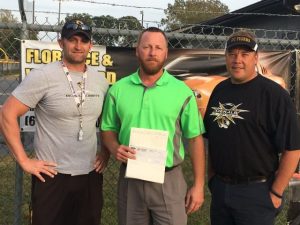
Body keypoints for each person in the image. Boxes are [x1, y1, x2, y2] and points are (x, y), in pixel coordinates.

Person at [0, 19, 109, 225]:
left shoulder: (100, 81)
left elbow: (107, 123)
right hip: (52, 176)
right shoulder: (43, 75)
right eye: (72, 40)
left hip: (89, 175)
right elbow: (7, 114)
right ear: (61, 43)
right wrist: (24, 160)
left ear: (90, 46)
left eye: (83, 40)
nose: (78, 45)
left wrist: (105, 152)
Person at [101, 27, 206, 225]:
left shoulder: (181, 92)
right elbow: (107, 129)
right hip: (130, 177)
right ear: (137, 50)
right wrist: (114, 148)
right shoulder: (118, 89)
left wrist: (199, 185)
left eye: (158, 47)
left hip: (169, 179)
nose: (152, 52)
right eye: (147, 46)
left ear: (166, 53)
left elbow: (195, 139)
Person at [203, 30, 300, 225]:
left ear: (256, 58)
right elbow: (210, 138)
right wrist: (212, 177)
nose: (237, 59)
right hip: (221, 189)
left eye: (244, 54)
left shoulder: (274, 95)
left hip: (257, 191)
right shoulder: (220, 90)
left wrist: (276, 191)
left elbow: (293, 149)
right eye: (232, 54)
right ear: (226, 57)